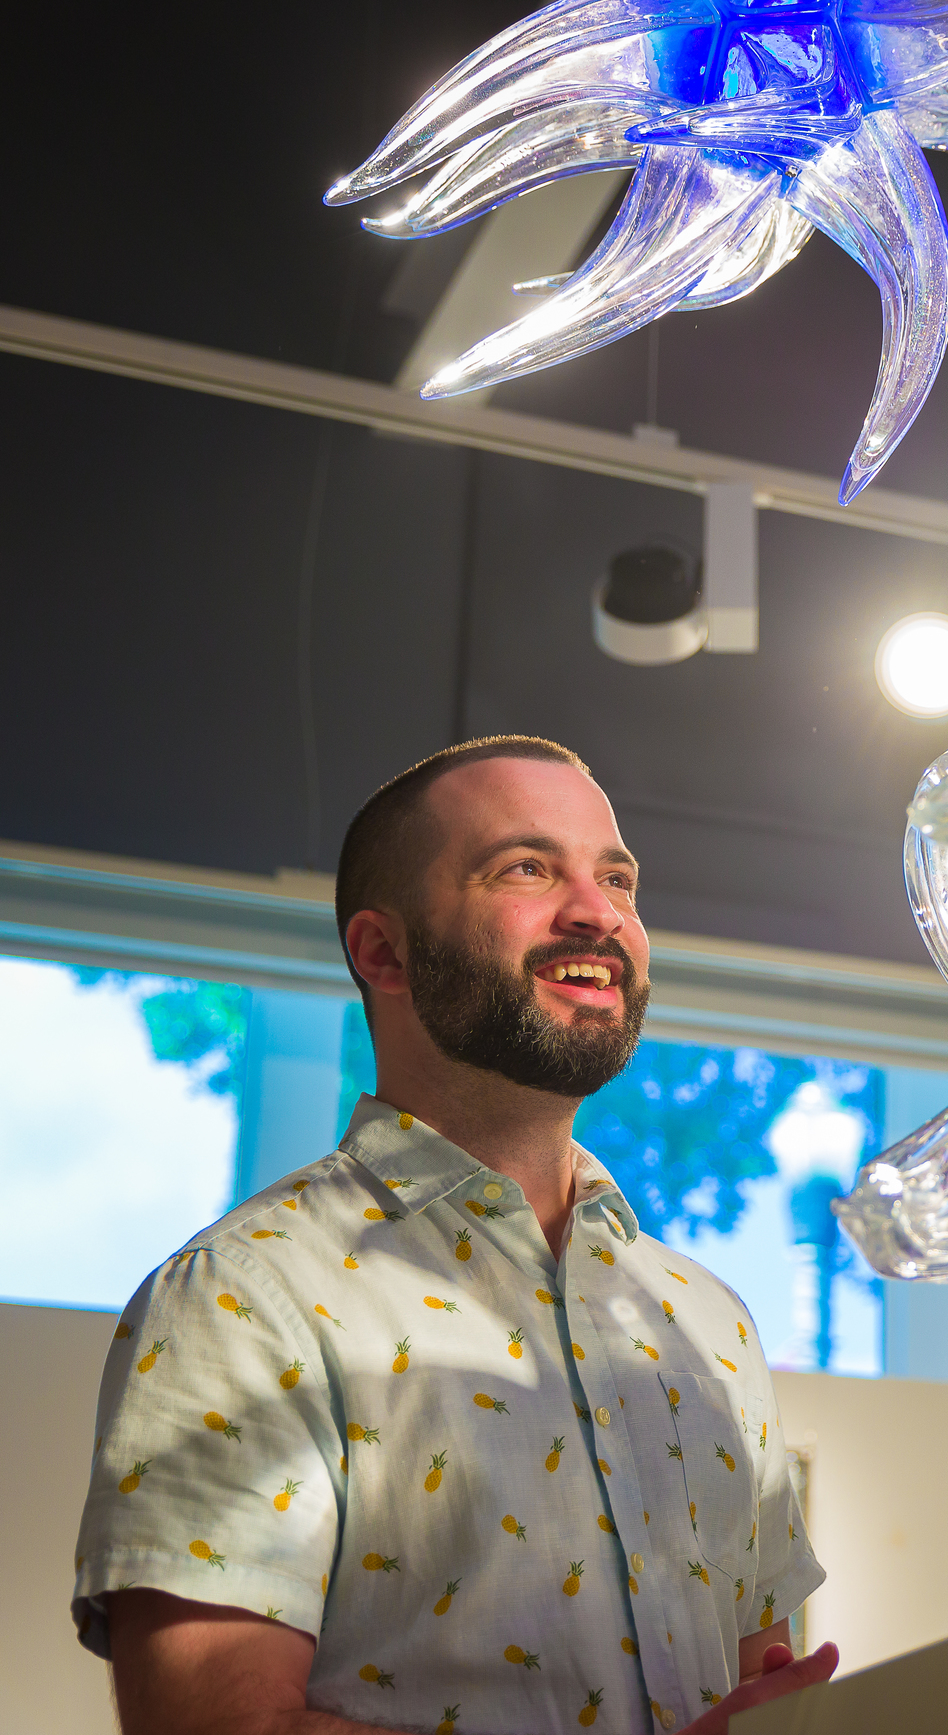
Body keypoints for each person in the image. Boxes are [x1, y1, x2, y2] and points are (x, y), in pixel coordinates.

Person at [72, 736, 839, 1735]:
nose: (598, 912)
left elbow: (751, 1700)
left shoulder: (711, 1326)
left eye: (617, 879)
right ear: (382, 951)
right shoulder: (241, 1300)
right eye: (526, 868)